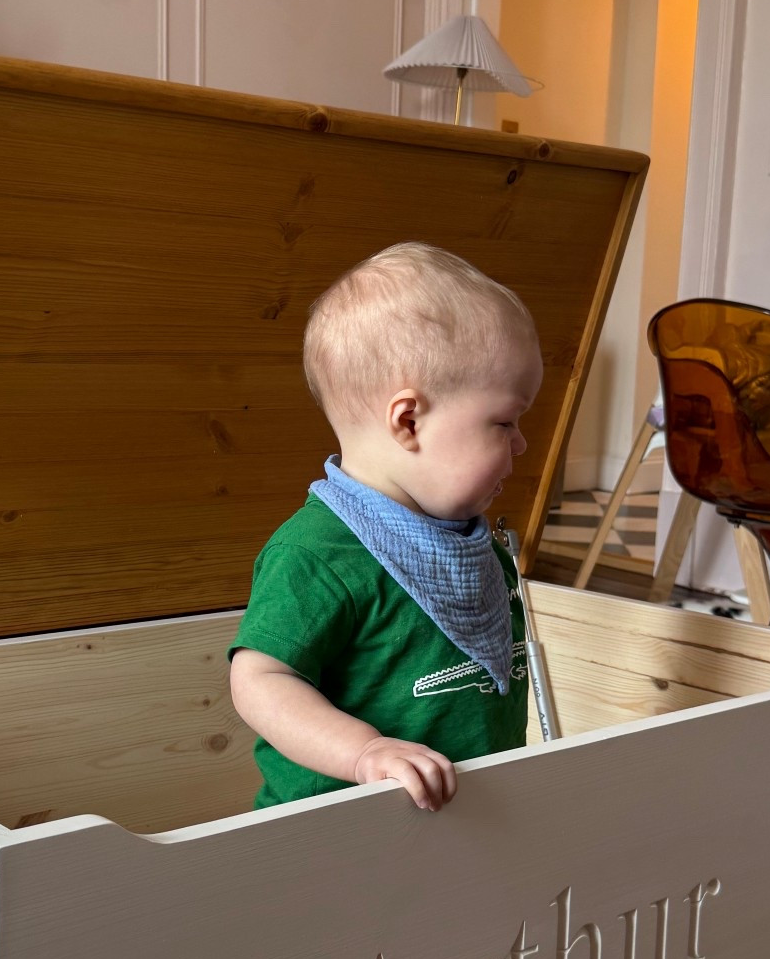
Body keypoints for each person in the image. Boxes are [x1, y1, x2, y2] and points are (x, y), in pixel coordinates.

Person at [228, 241, 544, 812]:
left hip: (468, 821)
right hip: (336, 834)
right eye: (505, 422)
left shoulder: (475, 542)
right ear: (409, 421)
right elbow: (261, 680)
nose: (522, 444)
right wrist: (363, 752)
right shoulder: (317, 554)